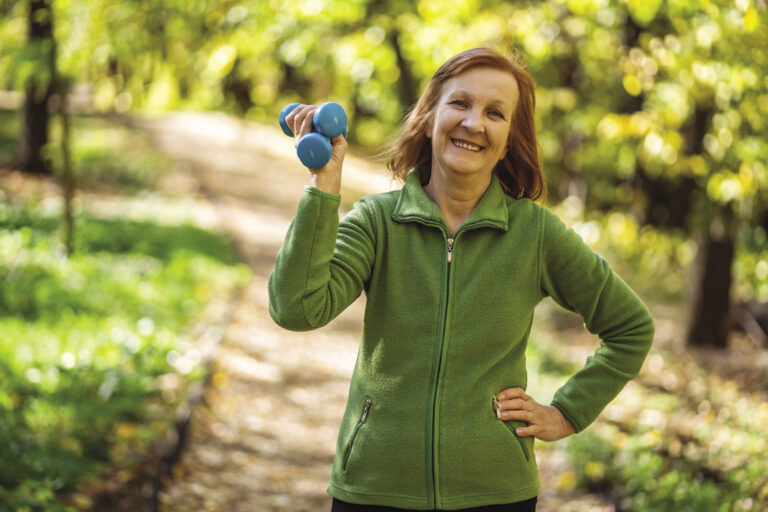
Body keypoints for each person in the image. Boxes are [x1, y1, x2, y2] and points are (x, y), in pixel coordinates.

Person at [269, 48, 654, 511]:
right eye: (460, 104)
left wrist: (567, 413)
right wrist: (323, 184)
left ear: (510, 138)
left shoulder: (534, 234)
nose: (474, 123)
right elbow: (296, 308)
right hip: (373, 487)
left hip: (496, 495)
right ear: (429, 117)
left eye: (495, 113)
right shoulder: (378, 222)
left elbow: (631, 326)